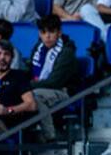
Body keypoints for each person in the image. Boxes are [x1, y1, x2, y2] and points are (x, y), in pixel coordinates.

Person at [25, 15, 76, 143]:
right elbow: (27, 71)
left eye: (51, 32)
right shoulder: (37, 49)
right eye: (43, 32)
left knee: (33, 97)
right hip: (38, 87)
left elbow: (54, 82)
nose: (47, 36)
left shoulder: (66, 53)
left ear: (59, 33)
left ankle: (49, 136)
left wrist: (27, 86)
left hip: (61, 91)